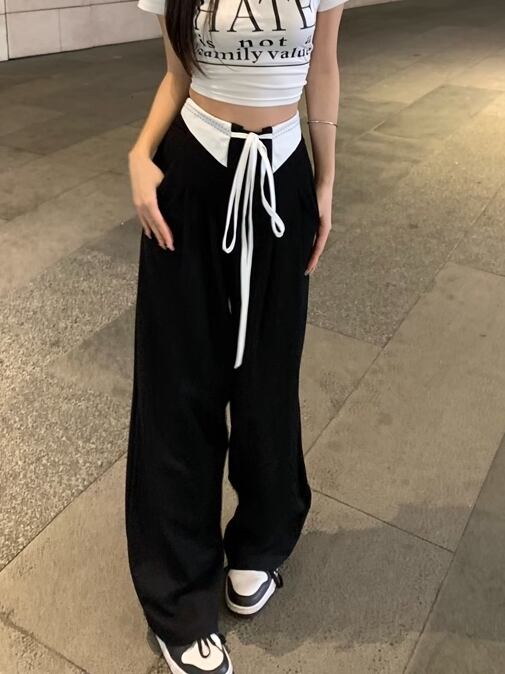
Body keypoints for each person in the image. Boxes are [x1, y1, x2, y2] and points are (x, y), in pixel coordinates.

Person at [125, 0, 346, 672]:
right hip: (191, 176)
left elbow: (323, 68)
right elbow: (177, 75)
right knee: (179, 384)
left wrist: (326, 177)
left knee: (269, 377)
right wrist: (139, 153)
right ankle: (178, 596)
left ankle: (261, 540)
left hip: (284, 176)